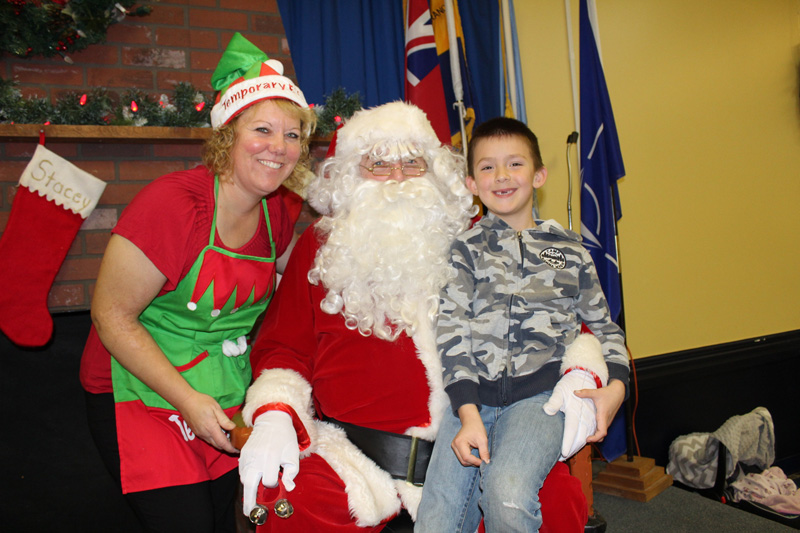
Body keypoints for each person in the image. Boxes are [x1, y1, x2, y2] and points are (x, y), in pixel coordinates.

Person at [236, 102, 589, 532]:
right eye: (379, 163)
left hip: (478, 440)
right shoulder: (321, 247)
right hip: (355, 454)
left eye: (411, 161)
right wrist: (275, 412)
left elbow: (564, 316)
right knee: (292, 500)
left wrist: (581, 378)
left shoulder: (482, 240)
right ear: (351, 176)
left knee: (553, 498)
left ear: (436, 171)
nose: (398, 176)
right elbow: (283, 346)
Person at [78, 33, 316, 532]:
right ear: (229, 134)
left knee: (223, 519)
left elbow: (303, 286)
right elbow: (110, 316)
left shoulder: (282, 210)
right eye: (263, 130)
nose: (279, 148)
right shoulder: (173, 205)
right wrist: (187, 401)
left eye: (293, 135)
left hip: (220, 386)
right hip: (138, 389)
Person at [415, 117, 630, 533]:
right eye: (487, 167)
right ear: (472, 184)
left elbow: (606, 330)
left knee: (508, 496)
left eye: (514, 164)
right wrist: (467, 411)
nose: (502, 176)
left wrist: (616, 390)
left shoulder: (570, 251)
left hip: (540, 401)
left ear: (539, 175)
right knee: (435, 520)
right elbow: (452, 331)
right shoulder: (465, 250)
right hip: (471, 401)